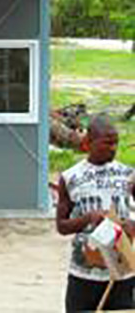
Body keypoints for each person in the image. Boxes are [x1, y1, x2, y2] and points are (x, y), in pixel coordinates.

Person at [56, 114, 135, 311]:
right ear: (88, 143)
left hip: (121, 274)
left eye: (116, 143)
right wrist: (88, 218)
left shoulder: (128, 175)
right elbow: (61, 226)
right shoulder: (70, 178)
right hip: (83, 274)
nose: (113, 148)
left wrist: (132, 226)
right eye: (107, 143)